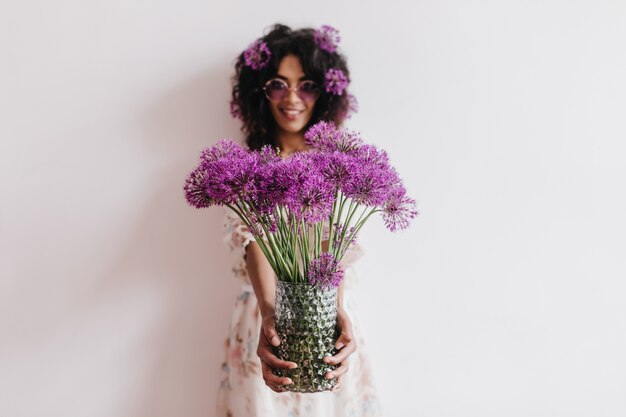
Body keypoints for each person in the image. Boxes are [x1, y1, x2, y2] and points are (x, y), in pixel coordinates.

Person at [216, 23, 383, 416]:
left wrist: (334, 312)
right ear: (260, 91)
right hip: (265, 319)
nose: (292, 97)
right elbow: (254, 243)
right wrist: (271, 311)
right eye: (278, 83)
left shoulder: (340, 166)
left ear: (324, 94)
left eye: (306, 84)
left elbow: (334, 250)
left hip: (329, 314)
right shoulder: (244, 168)